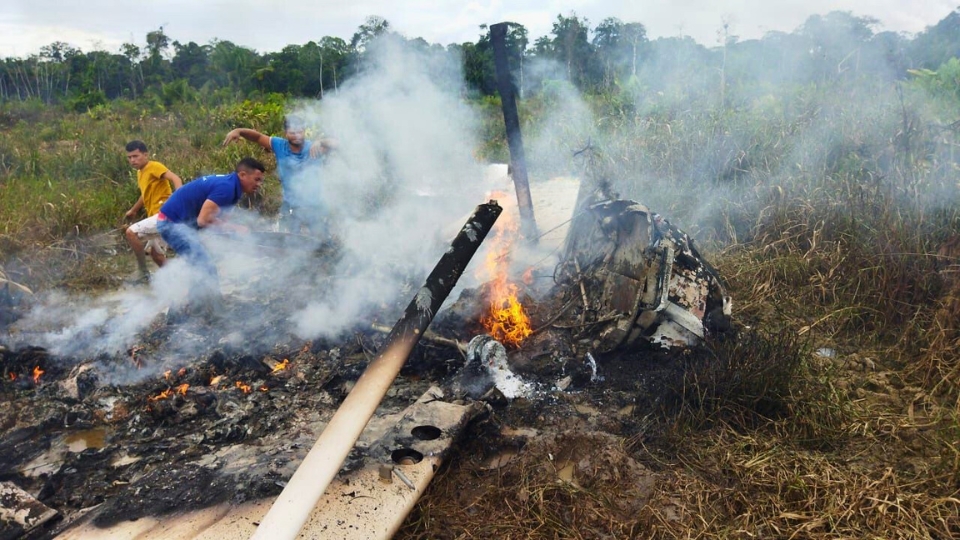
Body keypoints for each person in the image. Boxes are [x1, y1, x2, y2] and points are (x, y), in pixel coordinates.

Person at [156, 158, 265, 304]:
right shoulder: (226, 188)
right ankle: (213, 307)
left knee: (199, 263)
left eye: (261, 181)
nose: (259, 184)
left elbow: (219, 221)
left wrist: (237, 238)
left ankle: (196, 305)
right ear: (243, 175)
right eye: (256, 179)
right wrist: (236, 228)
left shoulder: (233, 187)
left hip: (184, 223)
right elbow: (203, 220)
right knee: (204, 265)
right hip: (171, 223)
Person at [222, 115, 337, 235]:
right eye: (292, 132)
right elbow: (258, 137)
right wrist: (239, 131)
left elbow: (339, 145)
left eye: (299, 132)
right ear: (286, 133)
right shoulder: (279, 145)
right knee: (287, 242)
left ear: (304, 131)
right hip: (290, 206)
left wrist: (320, 141)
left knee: (322, 243)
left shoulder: (315, 147)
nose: (296, 136)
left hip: (314, 207)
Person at [123, 140, 183, 282]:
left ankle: (143, 273)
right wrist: (133, 210)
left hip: (164, 215)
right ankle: (178, 281)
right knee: (156, 256)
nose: (133, 160)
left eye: (136, 156)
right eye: (130, 157)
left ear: (145, 155)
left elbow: (176, 178)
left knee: (131, 233)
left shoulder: (154, 166)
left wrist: (177, 198)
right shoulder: (140, 173)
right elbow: (145, 194)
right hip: (157, 217)